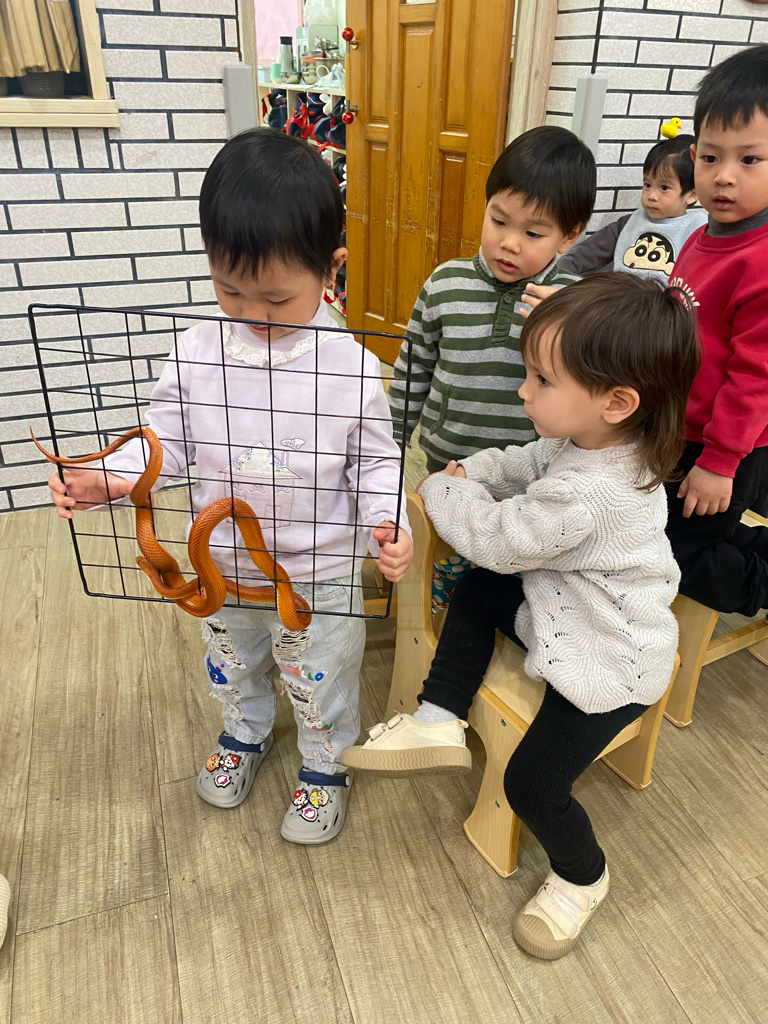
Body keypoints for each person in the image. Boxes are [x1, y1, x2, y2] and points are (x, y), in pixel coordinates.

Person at [47, 128, 413, 845]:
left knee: (319, 675)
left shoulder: (351, 366)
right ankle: (246, 731)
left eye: (277, 298)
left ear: (331, 269)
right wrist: (108, 478)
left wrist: (387, 520)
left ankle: (326, 763)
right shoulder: (195, 351)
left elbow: (377, 461)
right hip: (222, 564)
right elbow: (163, 440)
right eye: (230, 291)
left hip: (317, 573)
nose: (252, 314)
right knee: (233, 663)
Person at [342, 274, 700, 959]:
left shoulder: (590, 495)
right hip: (569, 612)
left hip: (609, 666)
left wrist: (440, 490)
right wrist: (471, 472)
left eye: (541, 380)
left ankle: (582, 876)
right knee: (479, 590)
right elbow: (521, 462)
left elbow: (497, 538)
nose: (523, 393)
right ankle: (439, 715)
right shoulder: (591, 440)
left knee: (532, 784)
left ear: (617, 401)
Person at [386, 126, 596, 474]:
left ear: (569, 235)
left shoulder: (575, 302)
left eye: (532, 233)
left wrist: (571, 324)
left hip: (529, 469)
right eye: (498, 220)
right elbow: (413, 365)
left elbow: (594, 384)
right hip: (445, 458)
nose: (509, 243)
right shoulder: (445, 283)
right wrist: (391, 436)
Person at [664, 45, 768, 615]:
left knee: (681, 554)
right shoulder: (703, 236)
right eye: (710, 157)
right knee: (665, 532)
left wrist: (719, 461)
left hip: (725, 445)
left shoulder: (761, 259)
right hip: (681, 429)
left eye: (750, 159)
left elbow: (756, 377)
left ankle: (759, 583)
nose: (724, 176)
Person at [559, 136, 707, 282]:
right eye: (647, 185)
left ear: (691, 195)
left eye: (664, 188)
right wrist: (556, 273)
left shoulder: (698, 230)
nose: (651, 196)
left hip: (667, 297)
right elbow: (588, 253)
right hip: (622, 294)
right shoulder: (630, 223)